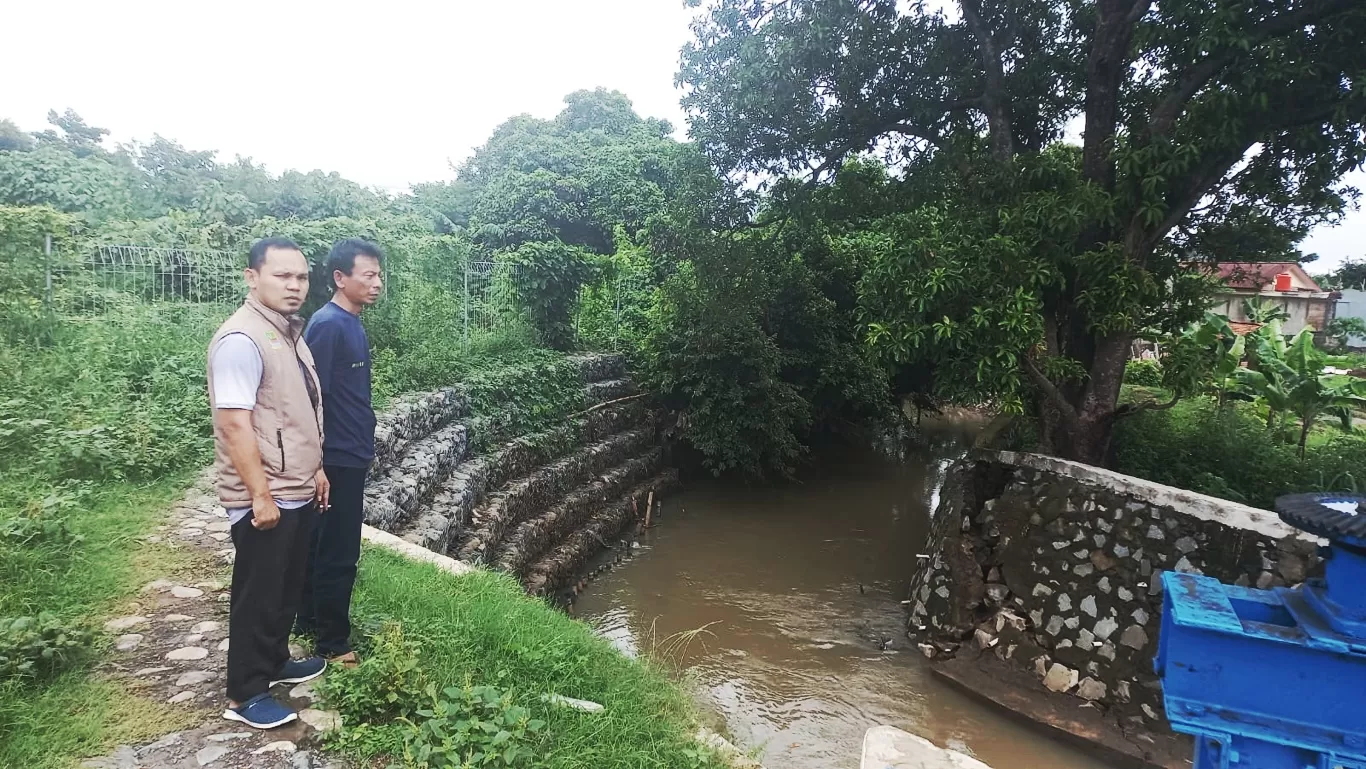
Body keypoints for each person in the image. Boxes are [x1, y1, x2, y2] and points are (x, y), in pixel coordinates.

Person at [208, 236, 331, 729]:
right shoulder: (242, 339)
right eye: (282, 275)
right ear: (251, 277)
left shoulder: (286, 331)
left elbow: (295, 412)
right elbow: (234, 424)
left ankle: (275, 660)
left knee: (286, 585)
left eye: (301, 276)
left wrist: (316, 469)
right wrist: (259, 494)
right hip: (268, 492)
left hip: (294, 483)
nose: (295, 285)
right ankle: (245, 693)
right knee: (259, 592)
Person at [297, 238, 383, 667]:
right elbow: (309, 399)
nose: (377, 283)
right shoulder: (328, 325)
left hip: (350, 451)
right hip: (335, 457)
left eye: (378, 275)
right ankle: (333, 643)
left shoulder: (351, 321)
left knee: (321, 543)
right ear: (339, 278)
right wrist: (316, 465)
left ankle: (309, 621)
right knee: (339, 551)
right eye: (368, 275)